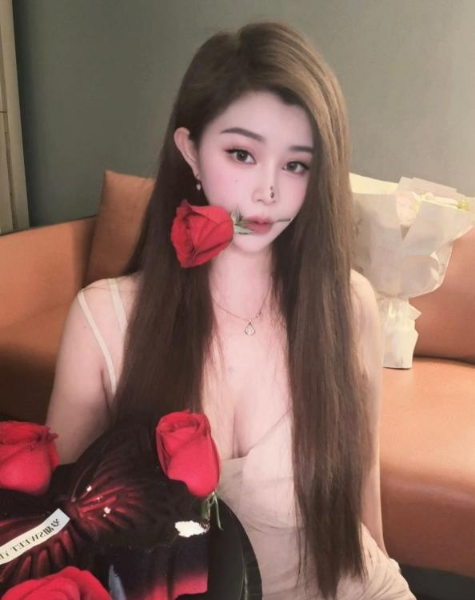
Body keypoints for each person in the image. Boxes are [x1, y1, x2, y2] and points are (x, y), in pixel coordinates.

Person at [46, 20, 416, 600]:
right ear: (191, 152)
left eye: (296, 165)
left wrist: (383, 568)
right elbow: (58, 533)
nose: (268, 191)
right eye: (242, 153)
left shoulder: (348, 307)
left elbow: (361, 483)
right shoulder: (106, 321)